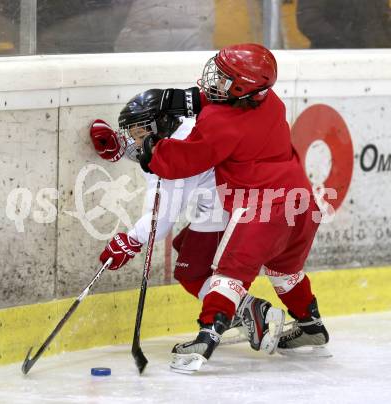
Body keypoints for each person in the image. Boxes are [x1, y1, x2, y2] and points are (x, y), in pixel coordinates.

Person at [138, 43, 330, 371]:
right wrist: (191, 99)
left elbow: (187, 159)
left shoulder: (220, 122)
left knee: (229, 275)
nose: (214, 79)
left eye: (224, 77)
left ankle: (206, 338)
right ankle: (312, 327)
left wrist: (153, 152)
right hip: (301, 204)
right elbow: (230, 110)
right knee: (285, 271)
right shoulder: (272, 101)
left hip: (262, 209)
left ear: (242, 88)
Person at [90, 89, 286, 363]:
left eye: (140, 132)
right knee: (187, 251)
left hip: (230, 210)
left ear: (161, 125)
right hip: (240, 201)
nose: (135, 140)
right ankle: (247, 310)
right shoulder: (186, 127)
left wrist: (130, 241)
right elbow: (152, 157)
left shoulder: (175, 154)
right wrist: (121, 150)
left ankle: (248, 311)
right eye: (132, 133)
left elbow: (161, 221)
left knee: (192, 272)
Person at [296, 0, 390, 49]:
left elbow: (384, 18)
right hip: (335, 62)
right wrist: (345, 40)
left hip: (376, 60)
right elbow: (309, 21)